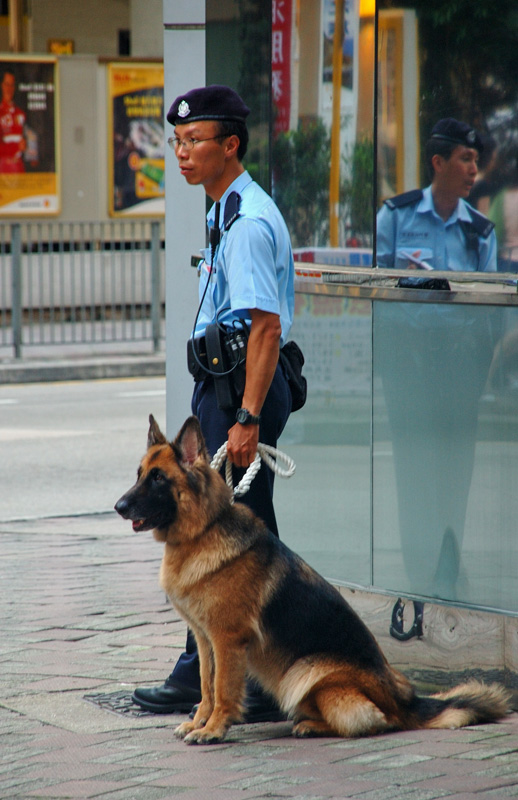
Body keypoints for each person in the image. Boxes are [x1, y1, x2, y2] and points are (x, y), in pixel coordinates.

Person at [132, 85, 294, 721]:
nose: (182, 152)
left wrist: (248, 417)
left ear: (230, 145)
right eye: (177, 141)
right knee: (250, 539)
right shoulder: (223, 208)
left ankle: (223, 676)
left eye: (195, 140)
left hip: (241, 395)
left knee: (225, 540)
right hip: (227, 388)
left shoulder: (248, 221)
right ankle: (256, 671)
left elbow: (265, 329)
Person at [376, 119, 498, 635]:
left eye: (476, 160)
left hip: (458, 369)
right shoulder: (397, 216)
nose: (474, 170)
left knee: (455, 471)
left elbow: (491, 306)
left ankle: (448, 569)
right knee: (413, 471)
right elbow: (379, 289)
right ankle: (418, 574)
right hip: (409, 364)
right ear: (439, 163)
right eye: (466, 160)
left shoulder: (479, 230)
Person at [0, 69, 26, 173]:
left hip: (19, 169)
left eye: (12, 85)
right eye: (6, 84)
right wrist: (16, 147)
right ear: (2, 85)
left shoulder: (21, 113)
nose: (9, 88)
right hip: (3, 169)